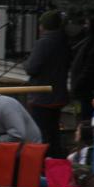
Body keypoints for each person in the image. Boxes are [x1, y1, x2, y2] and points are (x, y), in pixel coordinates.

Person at [24, 10, 70, 157]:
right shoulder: (63, 42)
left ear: (45, 26)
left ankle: (43, 165)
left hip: (42, 97)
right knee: (53, 132)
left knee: (41, 133)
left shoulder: (43, 43)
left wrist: (26, 63)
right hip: (58, 94)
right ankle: (56, 163)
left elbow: (31, 68)